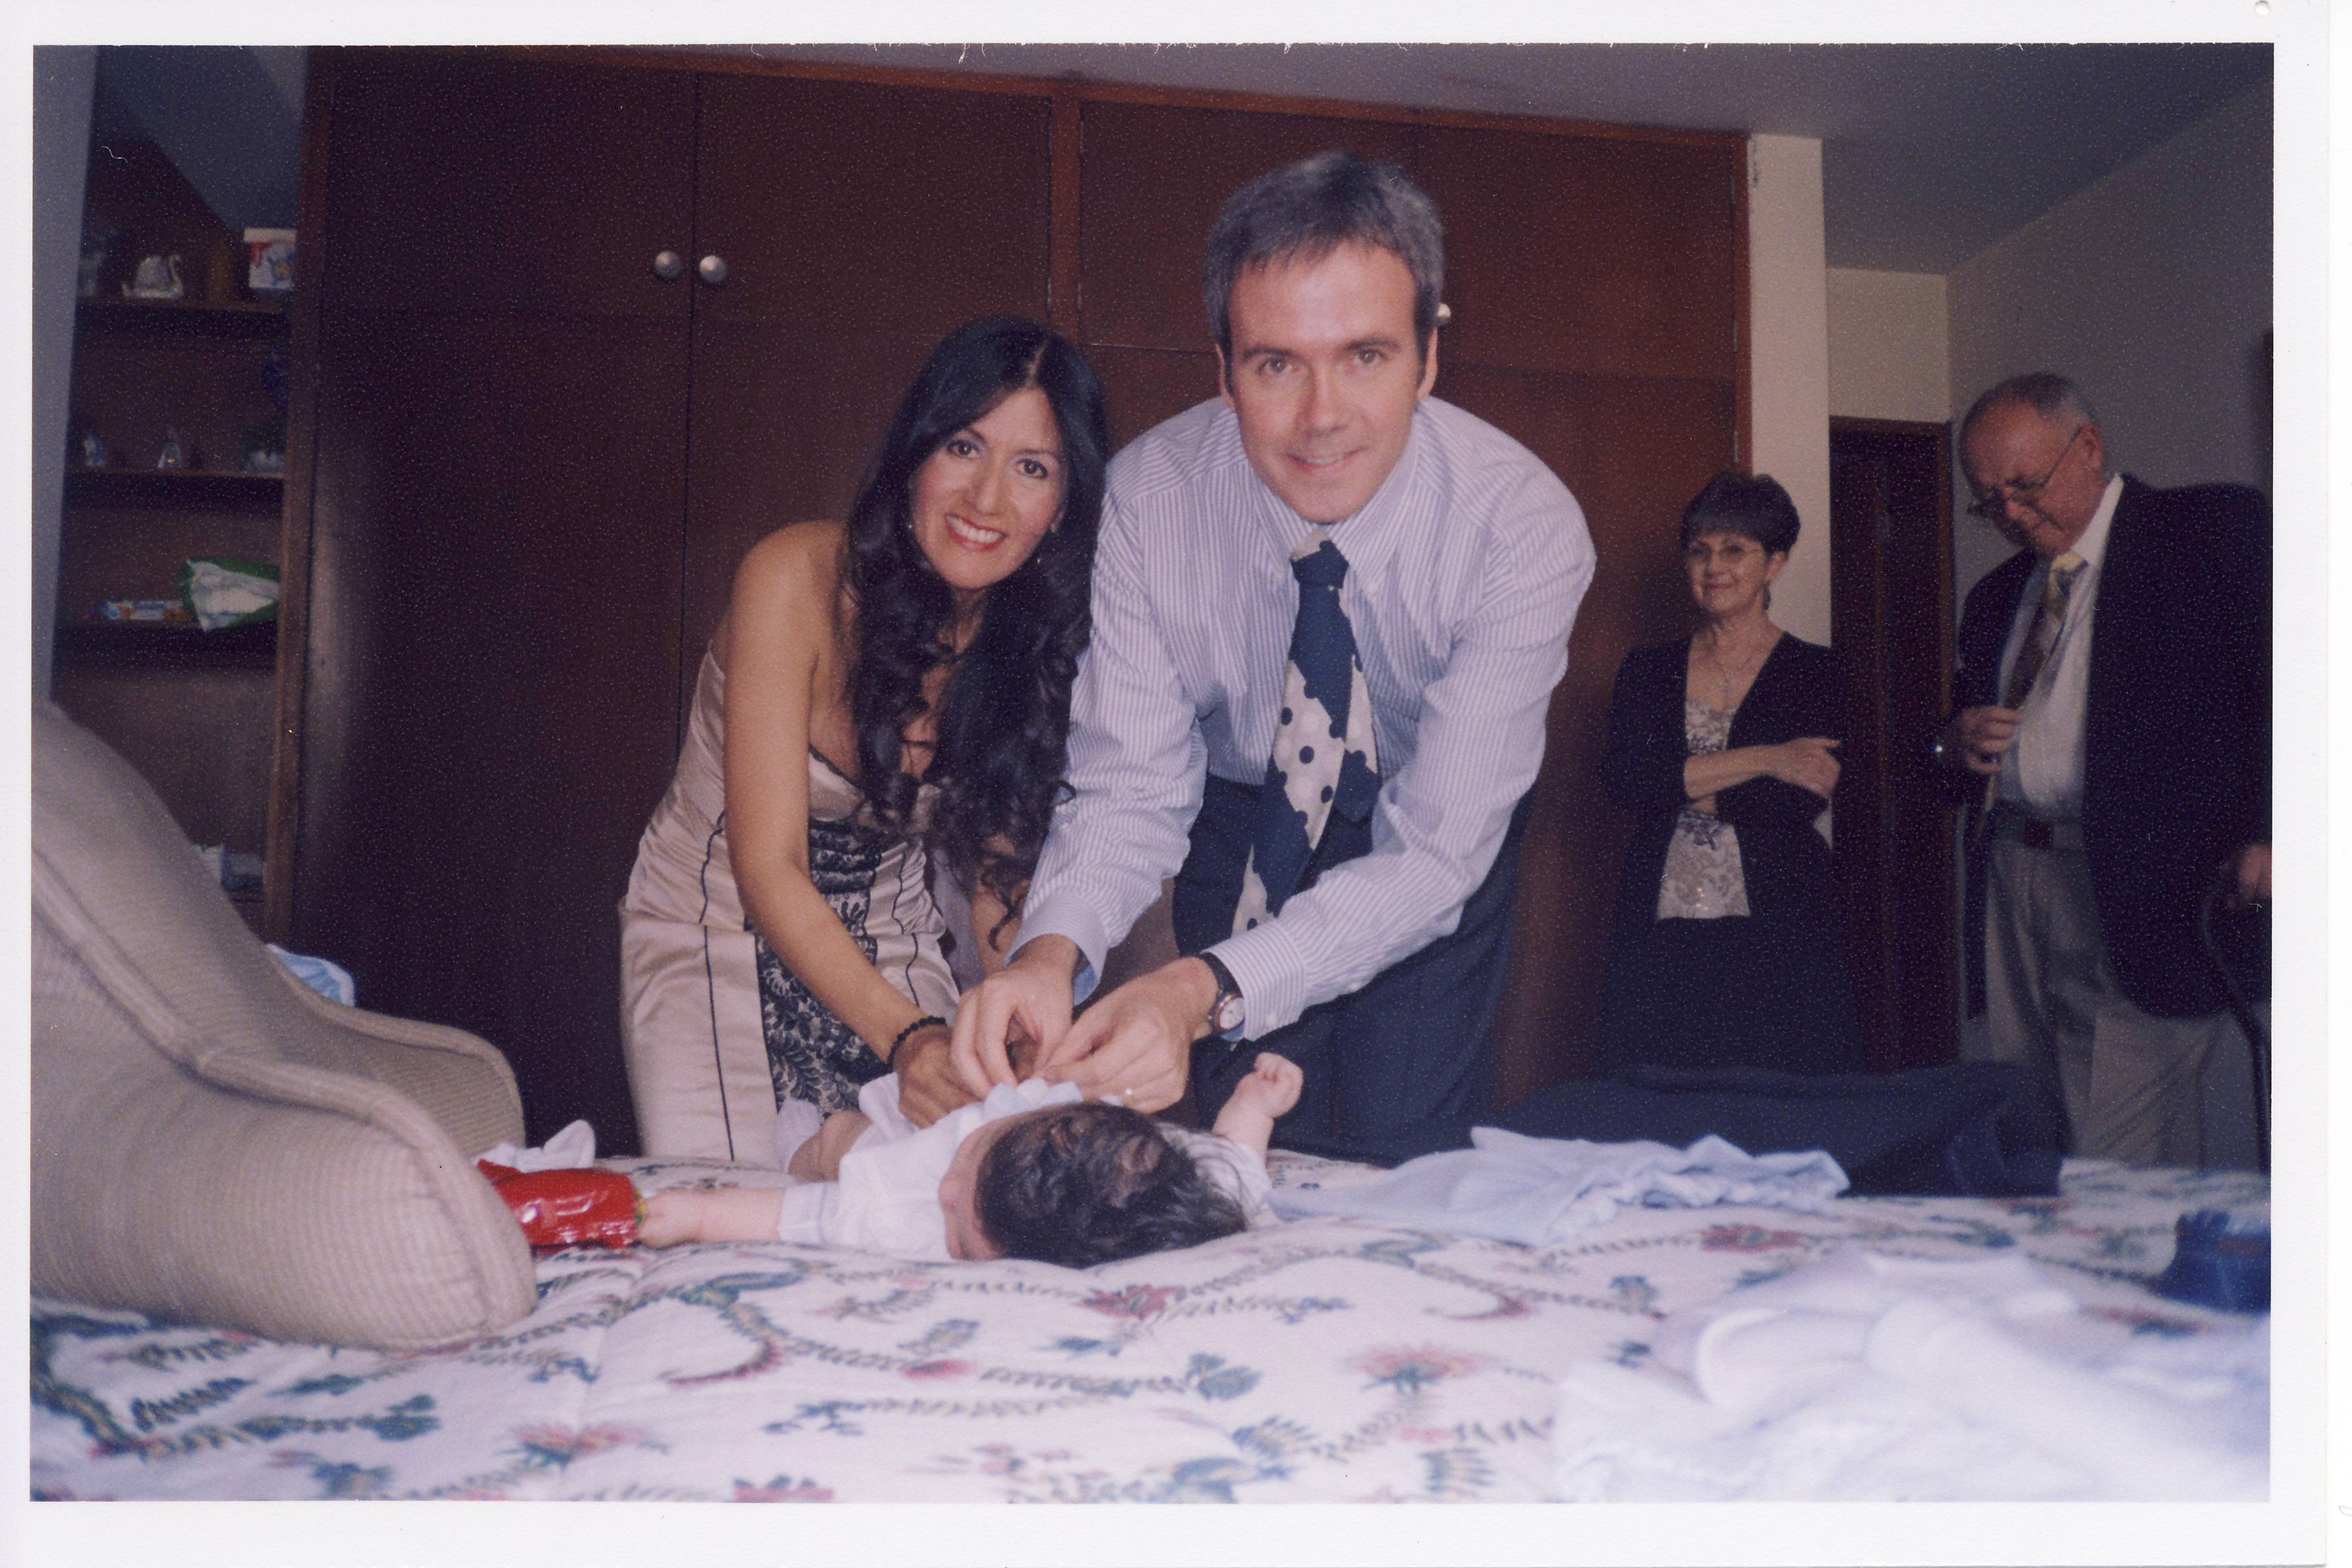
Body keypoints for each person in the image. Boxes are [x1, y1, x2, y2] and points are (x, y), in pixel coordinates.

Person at [947, 151, 1594, 1159]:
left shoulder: (1523, 528)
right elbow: (1130, 786)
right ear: (1224, 371)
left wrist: (1196, 989)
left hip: (1426, 827)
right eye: (1276, 364)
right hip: (1242, 814)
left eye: (1366, 356)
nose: (1321, 416)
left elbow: (1436, 854)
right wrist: (1048, 954)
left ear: (1428, 358)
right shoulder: (1147, 503)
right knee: (1243, 1143)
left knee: (1400, 1141)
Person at [618, 317, 1109, 1164]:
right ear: (915, 455)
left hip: (894, 940)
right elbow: (767, 866)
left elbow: (995, 883)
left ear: (1063, 509)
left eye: (1032, 467)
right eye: (964, 446)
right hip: (714, 928)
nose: (986, 498)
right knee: (739, 1204)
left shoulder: (1033, 646)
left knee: (940, 1186)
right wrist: (912, 1039)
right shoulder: (794, 576)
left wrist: (1026, 1024)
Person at [1934, 373, 2270, 1165]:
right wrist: (1952, 741)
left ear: (2088, 446)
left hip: (2146, 889)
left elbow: (2297, 687)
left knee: (2114, 1158)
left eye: (2026, 486)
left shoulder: (2209, 532)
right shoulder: (1996, 595)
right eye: (1990, 501)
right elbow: (1948, 762)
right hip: (2013, 876)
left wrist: (2275, 831)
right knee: (2028, 1133)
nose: (2012, 515)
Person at [1590, 473, 1865, 1077]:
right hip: (1661, 917)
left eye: (1735, 549)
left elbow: (1791, 805)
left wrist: (1674, 783)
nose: (1714, 567)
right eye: (1700, 550)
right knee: (1660, 1092)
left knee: (1773, 1093)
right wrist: (1767, 758)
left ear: (1774, 564)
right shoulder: (1648, 668)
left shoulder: (1818, 672)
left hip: (1779, 921)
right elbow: (1626, 783)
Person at [637, 1052, 1303, 1266]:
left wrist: (698, 1216)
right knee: (848, 1134)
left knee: (843, 1147)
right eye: (967, 1168)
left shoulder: (910, 1212)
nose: (945, 1192)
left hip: (898, 1159)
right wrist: (1254, 1106)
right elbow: (1235, 1167)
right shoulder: (1163, 1171)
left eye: (960, 1236)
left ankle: (804, 1145)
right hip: (947, 1119)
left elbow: (803, 1214)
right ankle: (810, 1141)